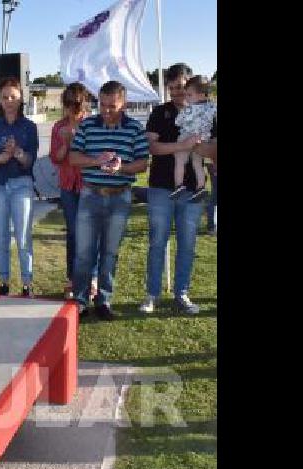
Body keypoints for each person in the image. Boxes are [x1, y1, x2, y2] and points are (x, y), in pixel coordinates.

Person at [67, 80, 150, 320]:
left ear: (124, 103)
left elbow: (143, 163)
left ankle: (104, 299)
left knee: (110, 252)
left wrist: (122, 167)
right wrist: (97, 160)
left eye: (112, 106)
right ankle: (80, 300)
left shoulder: (134, 128)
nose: (106, 110)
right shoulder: (87, 125)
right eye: (102, 105)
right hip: (90, 194)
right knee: (83, 253)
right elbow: (73, 158)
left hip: (119, 198)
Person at [140, 63, 215, 315]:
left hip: (193, 190)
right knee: (157, 242)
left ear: (190, 85)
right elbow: (151, 148)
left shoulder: (207, 113)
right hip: (161, 187)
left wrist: (196, 148)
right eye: (171, 88)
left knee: (187, 244)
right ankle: (152, 294)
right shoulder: (159, 112)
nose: (176, 93)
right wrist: (181, 145)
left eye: (180, 88)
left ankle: (181, 293)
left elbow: (213, 150)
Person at [0, 77, 39, 297]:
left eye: (13, 97)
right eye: (5, 97)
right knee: (1, 236)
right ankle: (4, 281)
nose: (8, 101)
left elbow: (30, 161)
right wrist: (1, 158)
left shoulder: (29, 127)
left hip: (22, 185)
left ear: (21, 98)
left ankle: (27, 282)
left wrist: (17, 153)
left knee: (23, 235)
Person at [49, 82, 98, 301]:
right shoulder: (58, 127)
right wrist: (67, 143)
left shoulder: (93, 124)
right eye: (69, 103)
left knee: (91, 232)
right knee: (73, 232)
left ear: (84, 102)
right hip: (69, 185)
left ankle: (93, 278)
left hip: (90, 183)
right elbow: (56, 158)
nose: (73, 108)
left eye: (77, 103)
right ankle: (72, 278)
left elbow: (97, 155)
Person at [170, 76, 217, 202]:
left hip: (187, 136)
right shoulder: (212, 107)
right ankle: (201, 187)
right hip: (203, 139)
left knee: (180, 161)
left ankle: (179, 185)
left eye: (189, 95)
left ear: (202, 95)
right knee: (197, 164)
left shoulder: (188, 109)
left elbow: (178, 122)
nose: (186, 98)